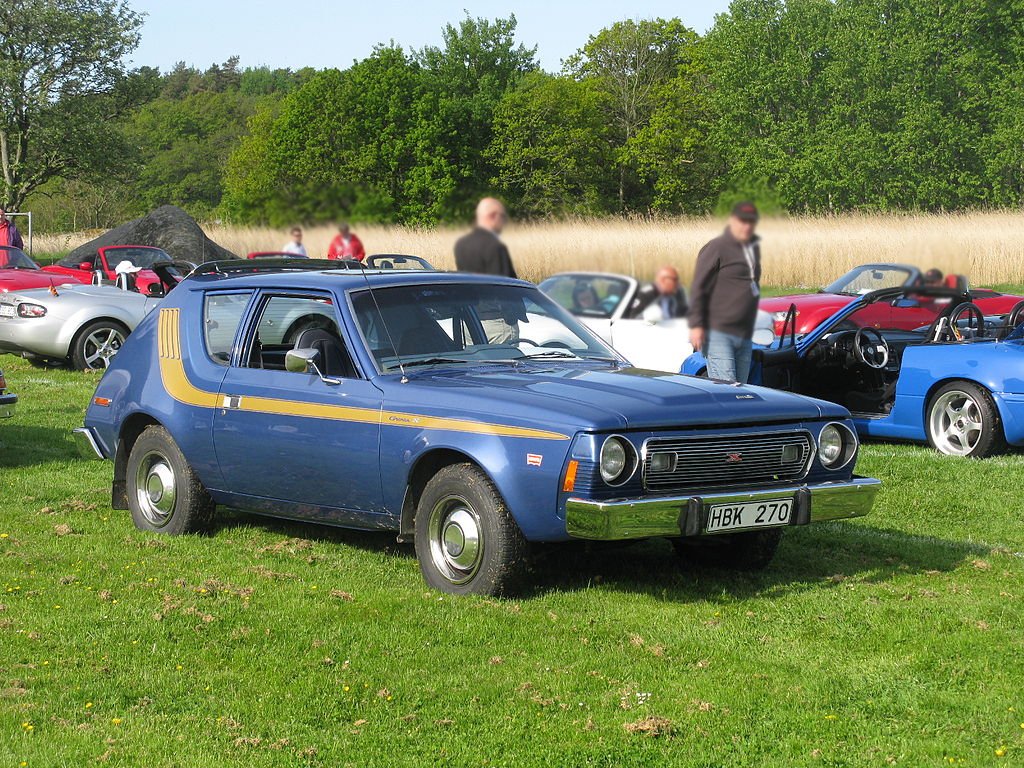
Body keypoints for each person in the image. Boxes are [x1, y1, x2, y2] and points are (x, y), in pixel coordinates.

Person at [688, 201, 762, 383]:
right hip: (718, 332)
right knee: (727, 389)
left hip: (743, 334)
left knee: (742, 390)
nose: (747, 226)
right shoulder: (716, 247)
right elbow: (699, 286)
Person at [453, 197, 516, 278]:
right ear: (493, 216)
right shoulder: (495, 247)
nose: (504, 221)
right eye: (503, 216)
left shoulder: (461, 244)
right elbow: (505, 284)